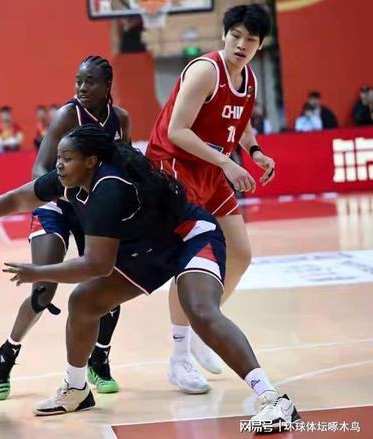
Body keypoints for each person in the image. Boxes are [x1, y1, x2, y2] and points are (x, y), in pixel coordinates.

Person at [0, 124, 301, 430]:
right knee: (84, 302)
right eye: (58, 157)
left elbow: (97, 266)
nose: (58, 164)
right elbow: (18, 198)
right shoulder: (70, 179)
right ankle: (76, 389)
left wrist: (37, 272)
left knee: (200, 311)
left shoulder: (109, 189)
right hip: (148, 250)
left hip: (189, 236)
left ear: (91, 161)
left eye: (66, 158)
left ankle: (273, 398)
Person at [145, 4, 278, 394]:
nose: (241, 44)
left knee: (241, 254)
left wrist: (254, 152)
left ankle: (204, 324)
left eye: (250, 40)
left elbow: (240, 123)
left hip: (210, 168)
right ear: (224, 34)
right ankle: (179, 357)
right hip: (173, 167)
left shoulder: (248, 80)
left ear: (259, 45)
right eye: (235, 35)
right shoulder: (206, 70)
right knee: (188, 260)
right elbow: (177, 130)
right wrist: (227, 163)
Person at [0, 55, 131, 401]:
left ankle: (99, 358)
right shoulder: (67, 115)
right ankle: (6, 355)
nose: (81, 87)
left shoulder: (121, 119)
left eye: (89, 82)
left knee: (109, 282)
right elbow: (39, 169)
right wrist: (70, 191)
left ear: (107, 86)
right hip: (57, 204)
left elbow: (125, 166)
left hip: (91, 209)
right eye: (78, 81)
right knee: (44, 290)